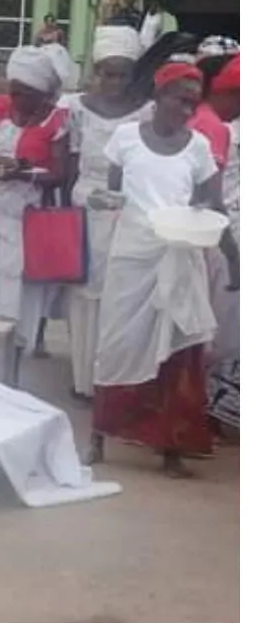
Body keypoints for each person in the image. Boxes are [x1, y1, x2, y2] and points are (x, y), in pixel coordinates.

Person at [90, 58, 225, 474]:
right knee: (117, 345)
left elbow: (213, 202)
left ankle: (170, 448)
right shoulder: (126, 137)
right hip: (132, 257)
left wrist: (202, 215)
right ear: (158, 95)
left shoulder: (199, 147)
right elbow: (113, 193)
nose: (186, 110)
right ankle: (98, 437)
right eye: (179, 100)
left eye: (192, 104)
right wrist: (102, 200)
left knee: (176, 353)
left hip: (179, 256)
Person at [0, 44, 72, 358]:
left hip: (27, 216)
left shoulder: (55, 122)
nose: (16, 98)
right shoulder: (0, 111)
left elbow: (60, 173)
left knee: (19, 287)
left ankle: (16, 353)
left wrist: (22, 172)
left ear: (43, 94)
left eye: (24, 93)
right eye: (14, 90)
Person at [59, 26, 150, 401]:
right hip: (86, 207)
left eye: (122, 75)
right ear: (96, 71)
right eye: (108, 73)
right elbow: (68, 164)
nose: (115, 82)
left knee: (120, 294)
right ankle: (84, 378)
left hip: (128, 211)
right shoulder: (74, 108)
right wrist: (64, 215)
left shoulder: (145, 112)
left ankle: (112, 379)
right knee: (84, 295)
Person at [203, 55, 238, 434]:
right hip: (223, 240)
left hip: (224, 237)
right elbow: (215, 198)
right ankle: (213, 412)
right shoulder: (216, 128)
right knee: (221, 330)